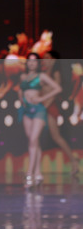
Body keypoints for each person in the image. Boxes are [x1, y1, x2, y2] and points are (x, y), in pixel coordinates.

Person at [18, 53, 61, 187]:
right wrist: (22, 100)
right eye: (29, 61)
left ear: (38, 63)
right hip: (26, 111)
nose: (31, 63)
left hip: (38, 110)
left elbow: (58, 88)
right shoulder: (23, 77)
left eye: (34, 61)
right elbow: (20, 90)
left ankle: (30, 174)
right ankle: (38, 173)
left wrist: (41, 99)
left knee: (33, 140)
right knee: (33, 141)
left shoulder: (41, 76)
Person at [41, 50, 79, 176]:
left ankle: (74, 161)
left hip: (50, 106)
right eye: (44, 57)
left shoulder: (56, 73)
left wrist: (46, 105)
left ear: (54, 59)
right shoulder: (43, 72)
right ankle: (35, 168)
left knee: (56, 136)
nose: (45, 60)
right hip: (41, 106)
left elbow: (57, 90)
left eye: (47, 57)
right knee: (35, 138)